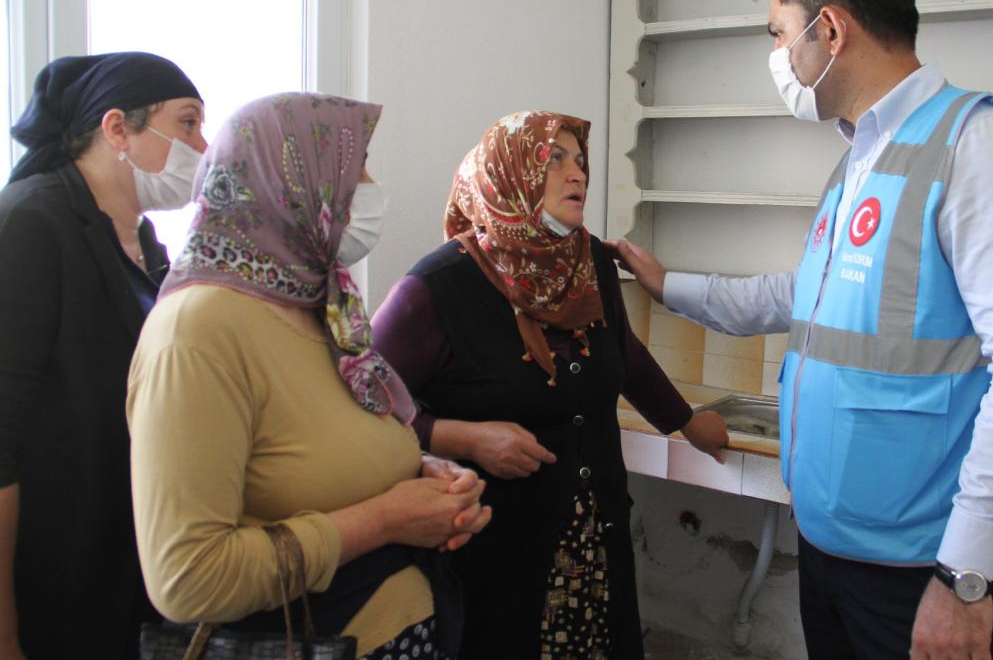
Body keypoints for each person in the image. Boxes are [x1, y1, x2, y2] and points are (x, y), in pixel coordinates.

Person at [607, 0, 993, 660]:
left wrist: (967, 577)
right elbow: (808, 298)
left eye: (780, 34)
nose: (777, 58)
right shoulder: (861, 158)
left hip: (925, 569)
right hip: (833, 552)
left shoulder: (975, 144)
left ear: (830, 29)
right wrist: (674, 288)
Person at [126, 92, 491, 659]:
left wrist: (423, 476)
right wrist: (387, 519)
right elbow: (187, 578)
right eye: (354, 169)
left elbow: (315, 453)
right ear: (287, 184)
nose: (369, 186)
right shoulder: (196, 333)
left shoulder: (320, 302)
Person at [370, 111, 729, 659]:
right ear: (507, 174)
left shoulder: (589, 264)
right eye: (554, 159)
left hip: (595, 535)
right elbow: (365, 402)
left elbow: (623, 353)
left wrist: (687, 422)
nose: (578, 174)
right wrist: (455, 436)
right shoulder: (436, 289)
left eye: (580, 161)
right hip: (495, 546)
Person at [0, 52, 205, 658]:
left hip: (127, 563)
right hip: (54, 571)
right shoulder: (32, 222)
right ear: (118, 129)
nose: (203, 144)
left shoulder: (147, 244)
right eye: (188, 123)